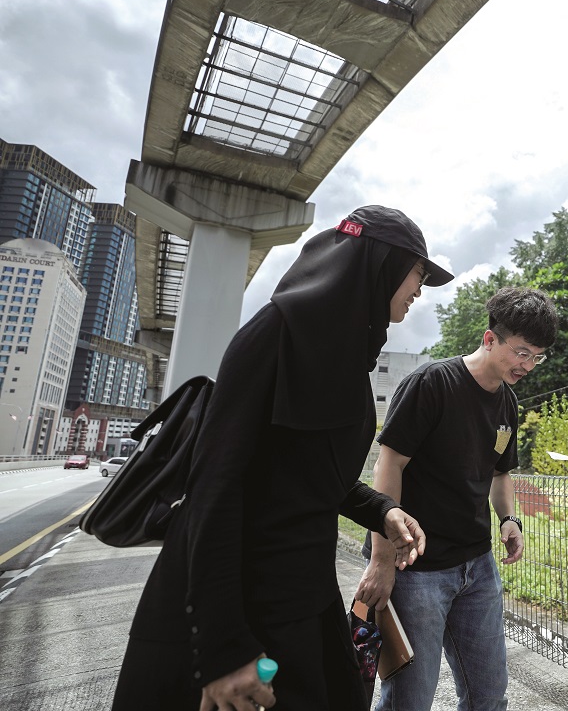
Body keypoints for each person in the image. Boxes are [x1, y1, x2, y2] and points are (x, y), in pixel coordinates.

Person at [112, 206, 451, 711]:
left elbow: (307, 476)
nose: (419, 290)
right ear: (379, 263)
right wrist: (225, 649)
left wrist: (381, 510)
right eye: (417, 275)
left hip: (303, 598)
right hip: (240, 609)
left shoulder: (349, 359)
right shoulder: (273, 335)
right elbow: (215, 490)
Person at [355, 287, 558, 711]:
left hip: (477, 567)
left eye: (536, 356)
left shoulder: (508, 402)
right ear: (489, 339)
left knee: (488, 697)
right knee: (410, 699)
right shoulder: (432, 383)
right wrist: (381, 559)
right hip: (417, 566)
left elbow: (500, 474)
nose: (527, 365)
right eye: (520, 352)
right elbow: (387, 467)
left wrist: (509, 520)